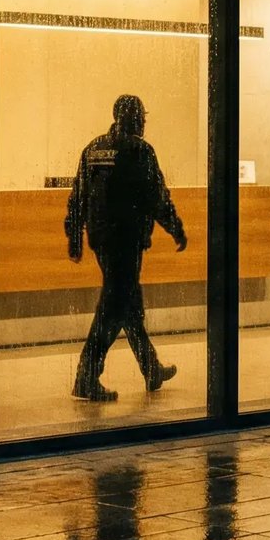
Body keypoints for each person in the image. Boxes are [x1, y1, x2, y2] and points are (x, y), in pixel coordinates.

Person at [65, 94, 186, 401]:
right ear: (133, 118)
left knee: (127, 303)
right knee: (114, 306)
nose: (144, 122)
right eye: (141, 117)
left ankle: (151, 368)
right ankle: (86, 376)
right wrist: (176, 228)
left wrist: (74, 235)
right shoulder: (140, 150)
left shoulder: (94, 148)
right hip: (126, 240)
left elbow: (78, 195)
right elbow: (156, 197)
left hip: (101, 240)